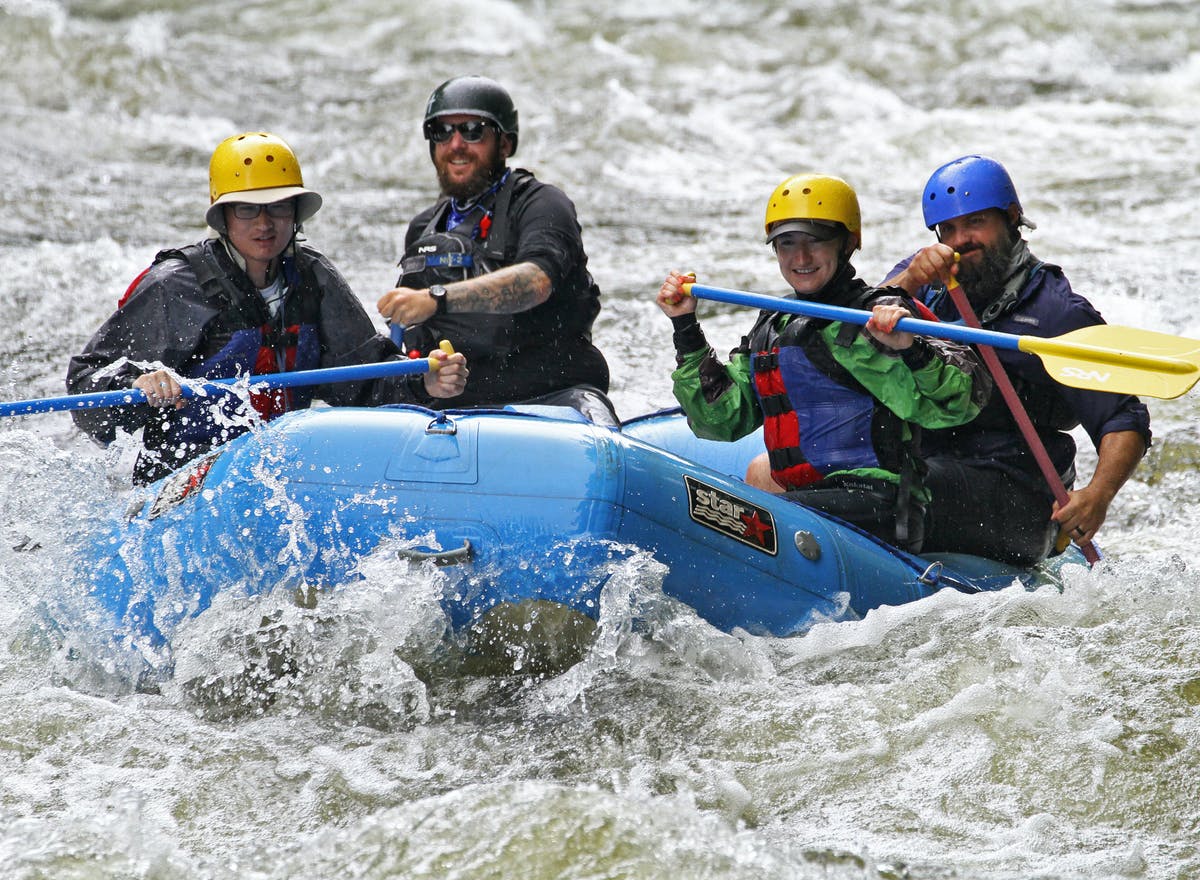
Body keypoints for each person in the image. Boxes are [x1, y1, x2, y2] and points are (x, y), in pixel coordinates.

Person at [67, 131, 468, 485]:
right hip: (181, 483)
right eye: (247, 208)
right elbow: (85, 386)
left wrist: (425, 382)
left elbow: (364, 380)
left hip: (280, 478)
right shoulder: (174, 286)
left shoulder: (314, 278)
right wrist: (138, 382)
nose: (264, 223)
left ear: (295, 214)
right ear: (222, 215)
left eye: (278, 207)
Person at [656, 174, 990, 553]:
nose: (800, 258)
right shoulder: (774, 323)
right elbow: (720, 421)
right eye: (787, 243)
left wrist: (909, 348)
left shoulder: (877, 316)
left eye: (815, 241)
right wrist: (685, 326)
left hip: (876, 504)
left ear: (848, 243)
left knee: (747, 521)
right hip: (806, 502)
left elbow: (959, 403)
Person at [883, 154, 1151, 564]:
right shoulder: (925, 283)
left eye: (975, 223)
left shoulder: (1057, 313)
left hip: (1018, 496)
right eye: (948, 229)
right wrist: (909, 282)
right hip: (934, 464)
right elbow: (863, 318)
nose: (960, 241)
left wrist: (1096, 496)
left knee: (896, 487)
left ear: (1010, 218)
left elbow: (1122, 418)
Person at [376, 75, 615, 425]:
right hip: (458, 409)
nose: (456, 144)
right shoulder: (423, 230)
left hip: (556, 396)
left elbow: (536, 282)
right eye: (441, 132)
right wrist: (429, 380)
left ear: (504, 143)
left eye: (473, 131)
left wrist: (437, 298)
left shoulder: (542, 204)